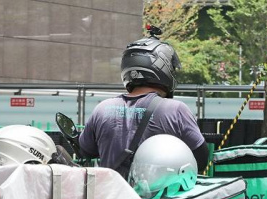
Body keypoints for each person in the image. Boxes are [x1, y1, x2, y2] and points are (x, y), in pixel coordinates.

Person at [78, 28, 208, 178]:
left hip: (112, 192)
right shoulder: (175, 110)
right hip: (158, 193)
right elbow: (201, 160)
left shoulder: (102, 109)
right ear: (162, 67)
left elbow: (86, 151)